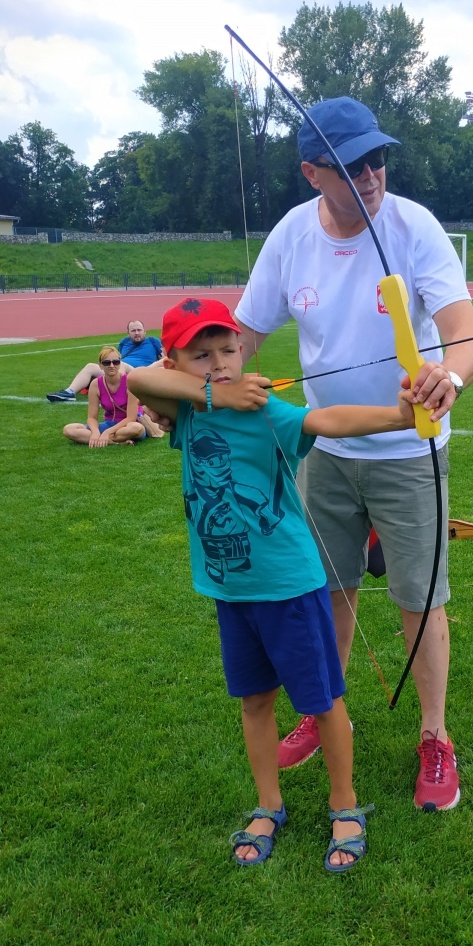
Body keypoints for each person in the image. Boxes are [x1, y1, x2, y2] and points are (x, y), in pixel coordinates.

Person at [233, 96, 473, 811]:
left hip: (410, 451)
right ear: (314, 172)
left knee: (419, 598)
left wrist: (450, 375)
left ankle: (434, 737)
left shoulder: (414, 226)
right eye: (353, 165)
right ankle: (325, 712)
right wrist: (201, 381)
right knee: (329, 591)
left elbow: (465, 331)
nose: (373, 174)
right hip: (328, 448)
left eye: (379, 158)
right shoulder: (289, 237)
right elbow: (246, 331)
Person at [127, 297, 417, 870]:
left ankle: (345, 805)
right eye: (201, 354)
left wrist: (400, 417)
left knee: (321, 700)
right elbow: (138, 377)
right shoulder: (188, 415)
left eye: (228, 349)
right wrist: (211, 392)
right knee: (255, 701)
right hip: (231, 591)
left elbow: (323, 420)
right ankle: (268, 804)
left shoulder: (264, 413)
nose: (220, 362)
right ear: (176, 359)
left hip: (288, 586)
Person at [47, 320, 164, 403]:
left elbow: (163, 360)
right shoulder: (124, 342)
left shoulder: (153, 342)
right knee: (90, 366)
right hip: (119, 369)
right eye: (133, 331)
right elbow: (117, 358)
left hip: (138, 373)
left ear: (145, 331)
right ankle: (69, 392)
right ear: (128, 333)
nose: (137, 333)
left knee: (121, 364)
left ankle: (117, 395)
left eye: (139, 330)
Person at [62, 345, 147, 447]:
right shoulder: (95, 384)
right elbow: (92, 417)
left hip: (127, 425)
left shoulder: (130, 382)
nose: (111, 365)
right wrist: (95, 432)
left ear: (120, 364)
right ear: (100, 366)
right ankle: (114, 442)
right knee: (69, 430)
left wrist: (107, 432)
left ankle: (103, 439)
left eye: (115, 362)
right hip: (109, 423)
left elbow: (131, 418)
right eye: (107, 363)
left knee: (136, 428)